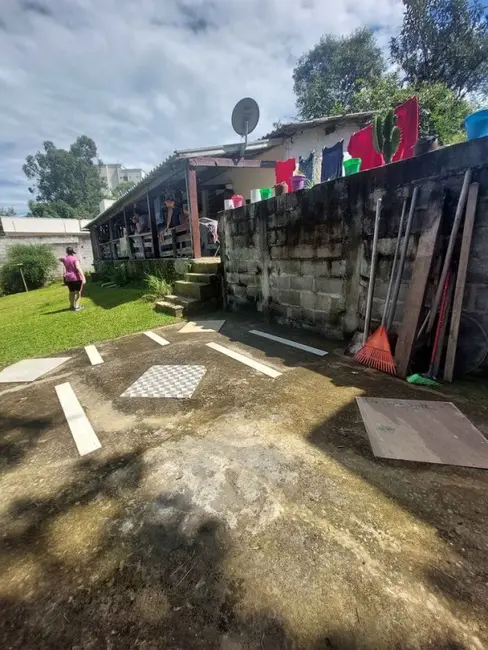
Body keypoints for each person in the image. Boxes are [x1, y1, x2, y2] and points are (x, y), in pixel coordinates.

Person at [60, 247, 85, 312]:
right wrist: (83, 277)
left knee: (71, 292)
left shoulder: (65, 259)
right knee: (78, 292)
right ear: (73, 252)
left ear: (67, 252)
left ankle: (71, 306)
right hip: (76, 278)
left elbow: (60, 258)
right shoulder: (75, 258)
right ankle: (77, 307)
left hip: (68, 278)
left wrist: (65, 257)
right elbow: (78, 267)